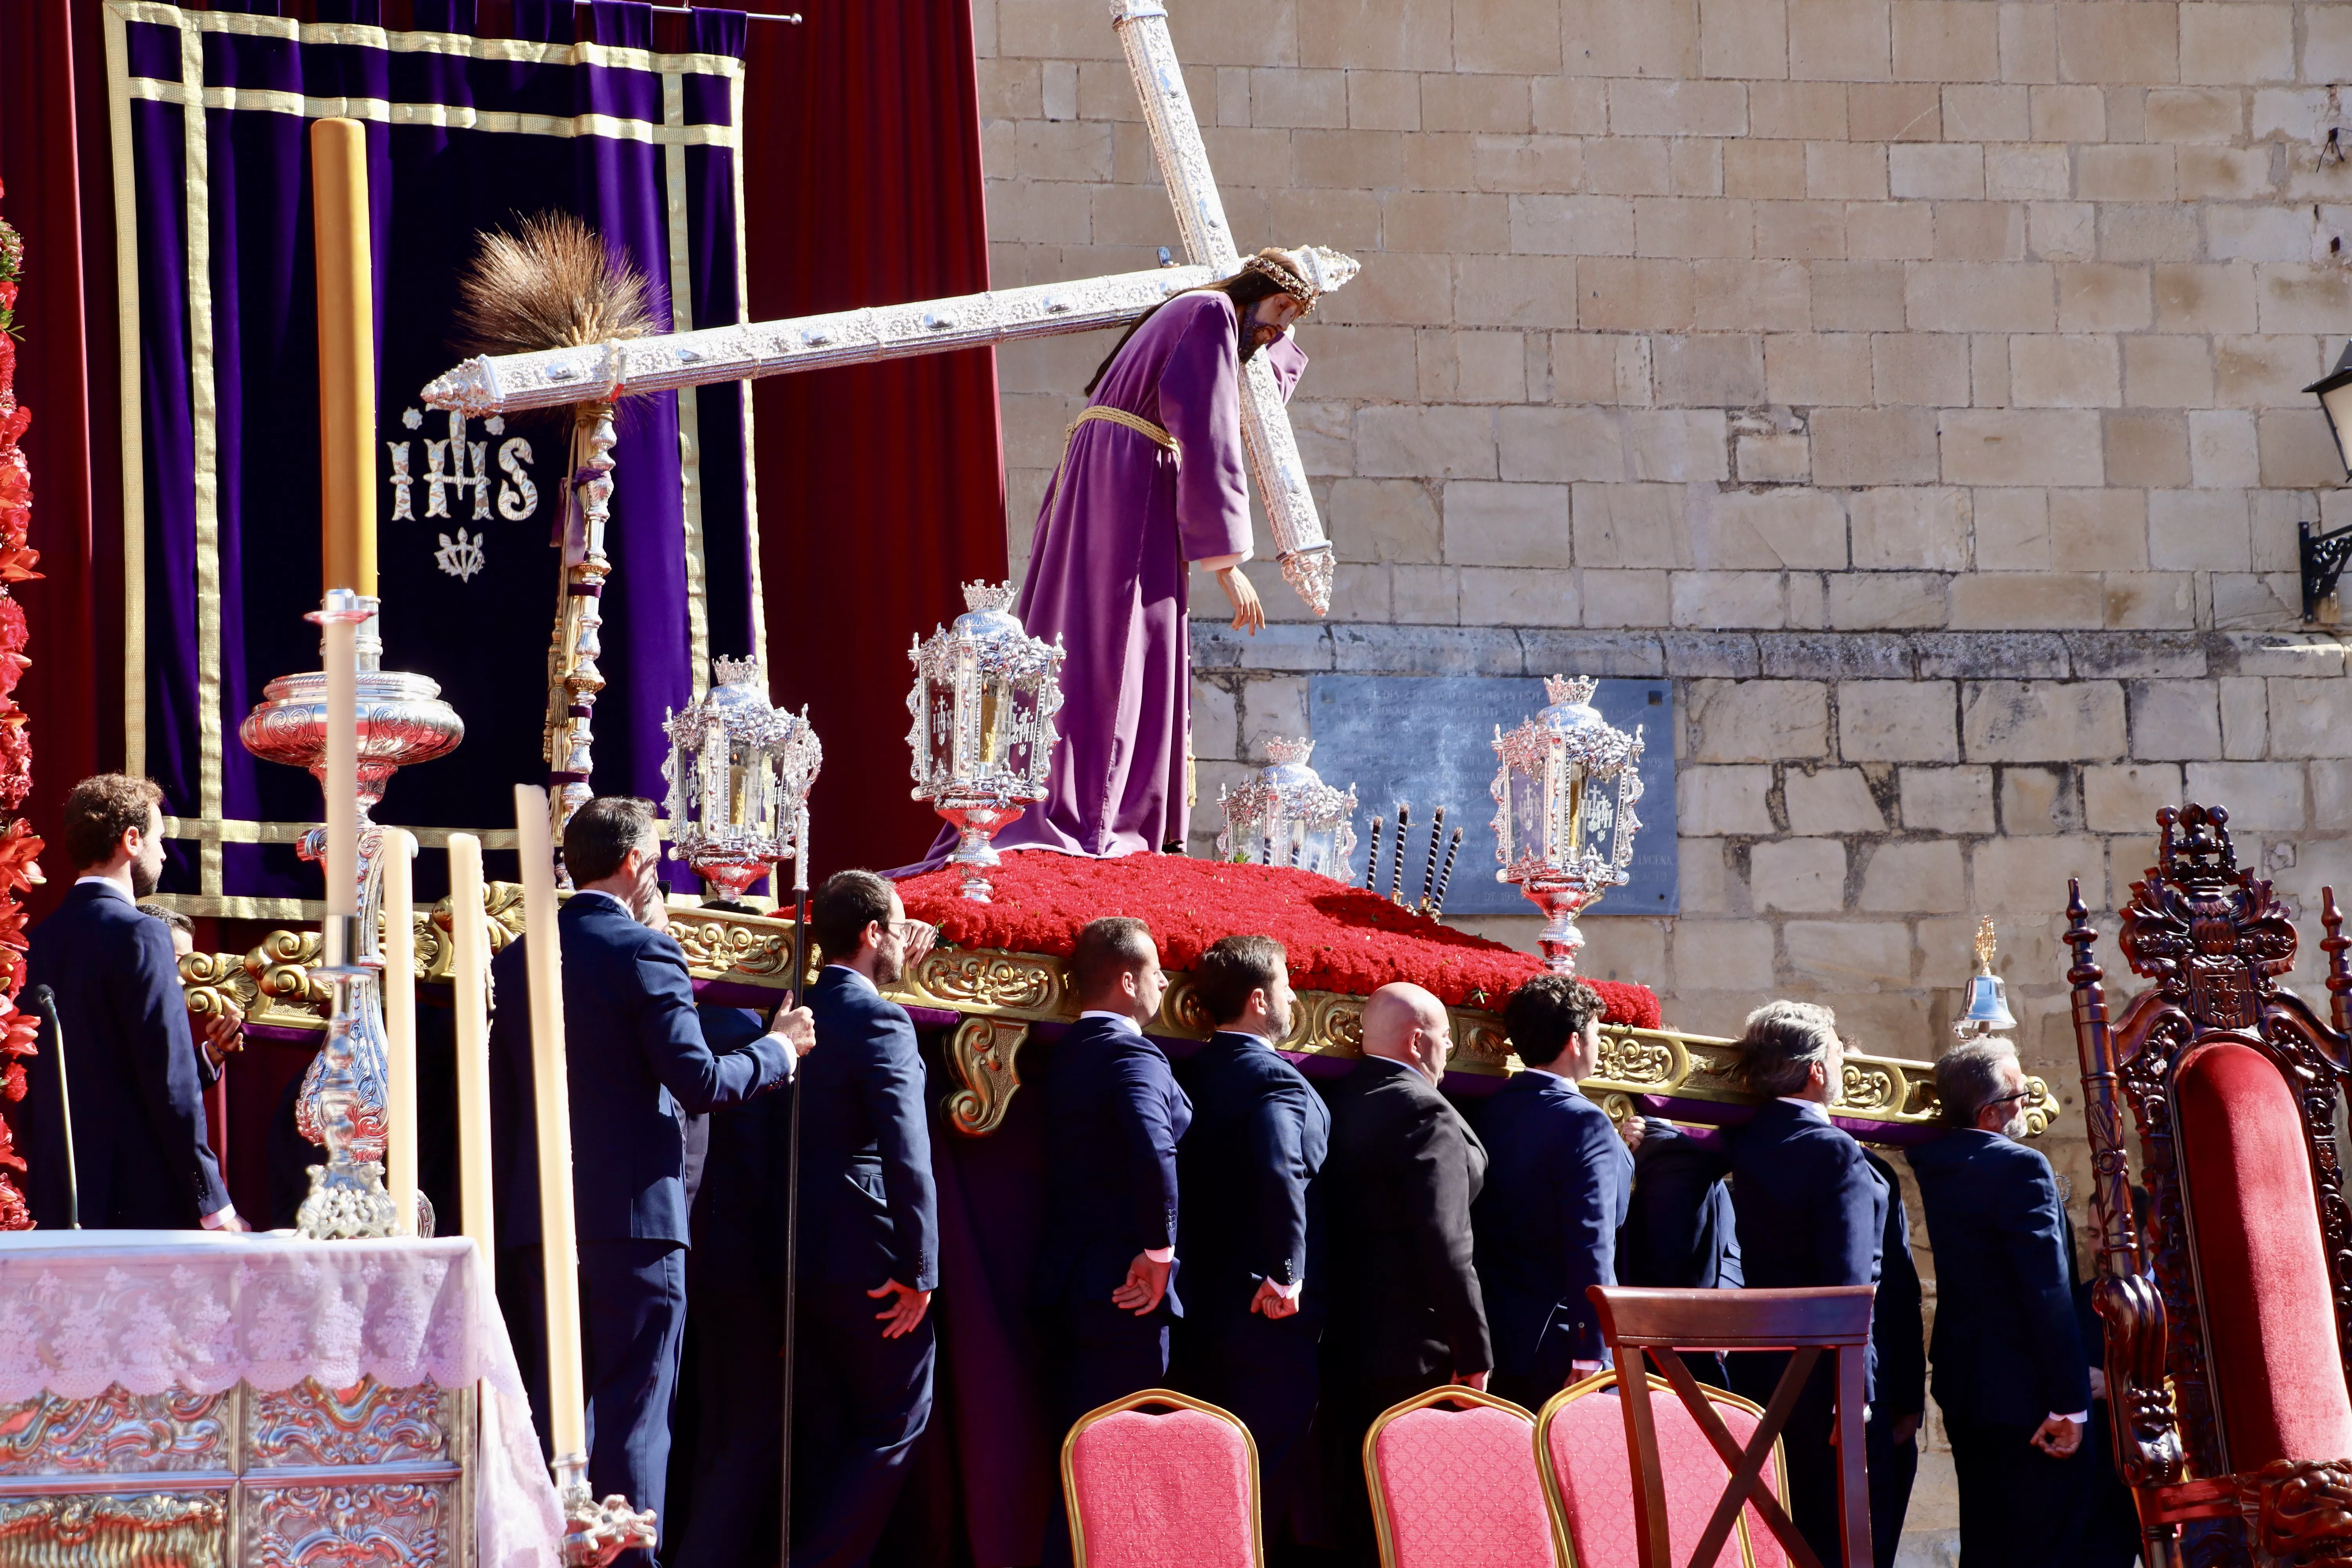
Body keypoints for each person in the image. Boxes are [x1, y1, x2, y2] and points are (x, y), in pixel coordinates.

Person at [929, 246, 1347, 865]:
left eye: (1294, 318)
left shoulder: (1196, 313)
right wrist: (1226, 563)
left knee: (1088, 631)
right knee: (1122, 637)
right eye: (1280, 308)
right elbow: (1209, 432)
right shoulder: (1210, 312)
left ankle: (1086, 802)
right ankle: (1101, 815)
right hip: (1133, 480)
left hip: (1108, 473)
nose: (1280, 326)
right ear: (1252, 289)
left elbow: (1245, 400)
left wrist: (1279, 341)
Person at [488, 796, 813, 1568]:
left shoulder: (520, 954)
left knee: (561, 1408)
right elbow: (697, 1078)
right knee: (636, 1409)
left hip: (543, 1215)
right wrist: (778, 1050)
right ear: (635, 860)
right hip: (635, 1220)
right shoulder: (643, 952)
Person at [783, 871, 942, 1568]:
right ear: (873, 933)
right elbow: (907, 1150)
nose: (906, 939)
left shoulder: (796, 1013)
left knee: (824, 1430)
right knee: (892, 1424)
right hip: (872, 1259)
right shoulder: (881, 1019)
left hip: (795, 1249)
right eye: (898, 925)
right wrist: (920, 1269)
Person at [1036, 915, 1191, 1567]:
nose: (1164, 982)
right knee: (1118, 1469)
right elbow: (1153, 1147)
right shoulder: (1130, 1054)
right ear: (1128, 981)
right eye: (1157, 971)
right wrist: (1160, 1254)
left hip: (1064, 1282)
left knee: (1079, 1465)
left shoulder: (1066, 1053)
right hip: (1122, 1291)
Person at [1317, 982, 1490, 1564]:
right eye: (1445, 1034)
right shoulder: (1423, 1110)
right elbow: (1446, 1242)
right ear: (1419, 1041)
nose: (1449, 1047)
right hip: (1418, 1346)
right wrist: (1475, 1354)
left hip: (1345, 1334)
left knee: (1360, 1507)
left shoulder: (1342, 1096)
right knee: (1414, 1512)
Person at [20, 775, 237, 1231]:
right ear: (131, 840)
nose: (163, 853)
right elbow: (170, 1081)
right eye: (159, 838)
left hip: (54, 1203)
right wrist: (213, 1204)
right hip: (139, 1209)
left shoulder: (33, 943)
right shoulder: (142, 933)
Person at [1169, 935, 1328, 1553]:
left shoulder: (1190, 1069)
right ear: (1260, 1000)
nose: (1295, 996)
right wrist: (1286, 1271)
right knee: (1256, 1487)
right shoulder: (1274, 1083)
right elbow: (1278, 1168)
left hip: (1198, 1309)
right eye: (1288, 985)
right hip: (1265, 1313)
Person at [1907, 1042, 2091, 1568]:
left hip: (1967, 1386)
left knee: (1986, 1540)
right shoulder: (2021, 1169)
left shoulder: (1933, 1159)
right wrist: (2068, 1403)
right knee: (2044, 1543)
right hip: (2026, 1394)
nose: (2026, 1104)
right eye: (2017, 1094)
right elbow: (2046, 1291)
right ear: (1989, 1113)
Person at [1726, 1001, 1888, 1566]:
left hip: (1756, 1367)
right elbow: (1848, 1285)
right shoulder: (1834, 1149)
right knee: (1829, 1535)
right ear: (1817, 1070)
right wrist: (1856, 1391)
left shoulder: (1744, 1139)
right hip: (1821, 1375)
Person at [1471, 974, 1632, 1410]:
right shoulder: (1584, 1121)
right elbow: (1590, 1239)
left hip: (1500, 1329)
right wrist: (1590, 1345)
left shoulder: (1492, 1109)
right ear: (1576, 1042)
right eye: (1597, 1033)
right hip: (1561, 1338)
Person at [1861, 1145, 1926, 1568]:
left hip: (1875, 1388)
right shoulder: (1868, 1170)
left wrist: (1908, 1401)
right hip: (1868, 1391)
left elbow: (1899, 1289)